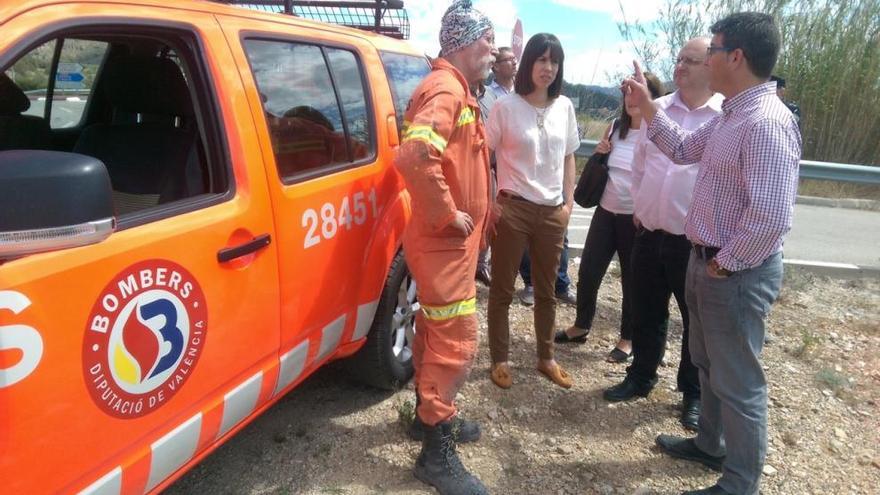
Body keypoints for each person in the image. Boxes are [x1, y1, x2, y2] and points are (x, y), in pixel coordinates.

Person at [621, 12, 801, 495]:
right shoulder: (732, 114)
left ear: (736, 57)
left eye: (715, 50)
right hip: (707, 262)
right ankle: (710, 444)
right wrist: (648, 108)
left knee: (739, 382)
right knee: (709, 365)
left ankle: (740, 482)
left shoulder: (765, 122)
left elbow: (771, 216)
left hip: (732, 271)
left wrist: (724, 262)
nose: (708, 60)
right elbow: (680, 149)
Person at [393, 1, 495, 493]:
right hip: (444, 243)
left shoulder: (458, 89)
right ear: (463, 42)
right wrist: (446, 214)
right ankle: (436, 453)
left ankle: (427, 418)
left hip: (450, 244)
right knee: (454, 341)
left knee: (435, 332)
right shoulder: (447, 88)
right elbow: (414, 154)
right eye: (487, 39)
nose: (493, 49)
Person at [602, 37, 723, 433]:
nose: (681, 66)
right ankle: (641, 376)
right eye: (679, 59)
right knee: (646, 311)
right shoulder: (660, 110)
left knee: (695, 324)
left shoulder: (723, 116)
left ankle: (692, 394)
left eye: (691, 60)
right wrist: (639, 208)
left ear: (712, 66)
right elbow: (639, 165)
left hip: (692, 242)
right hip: (649, 232)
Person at [486, 33, 580, 390]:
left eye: (554, 61)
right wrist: (493, 200)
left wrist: (567, 204)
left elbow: (570, 156)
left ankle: (546, 358)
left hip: (552, 212)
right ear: (529, 65)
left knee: (546, 290)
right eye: (542, 60)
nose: (548, 68)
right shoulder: (505, 107)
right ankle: (500, 359)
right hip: (514, 208)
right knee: (502, 290)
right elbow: (484, 154)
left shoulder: (565, 107)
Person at [554, 71, 663, 364]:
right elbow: (602, 167)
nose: (630, 99)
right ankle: (581, 325)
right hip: (606, 212)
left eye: (636, 91)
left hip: (635, 219)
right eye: (626, 93)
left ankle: (627, 339)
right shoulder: (615, 127)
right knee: (588, 272)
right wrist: (601, 153)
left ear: (651, 96)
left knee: (631, 281)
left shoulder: (658, 131)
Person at [473, 46, 515, 286]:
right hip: (481, 165)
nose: (515, 63)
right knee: (481, 214)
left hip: (502, 166)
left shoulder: (503, 96)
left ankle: (484, 264)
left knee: (495, 219)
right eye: (508, 60)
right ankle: (475, 264)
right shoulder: (477, 94)